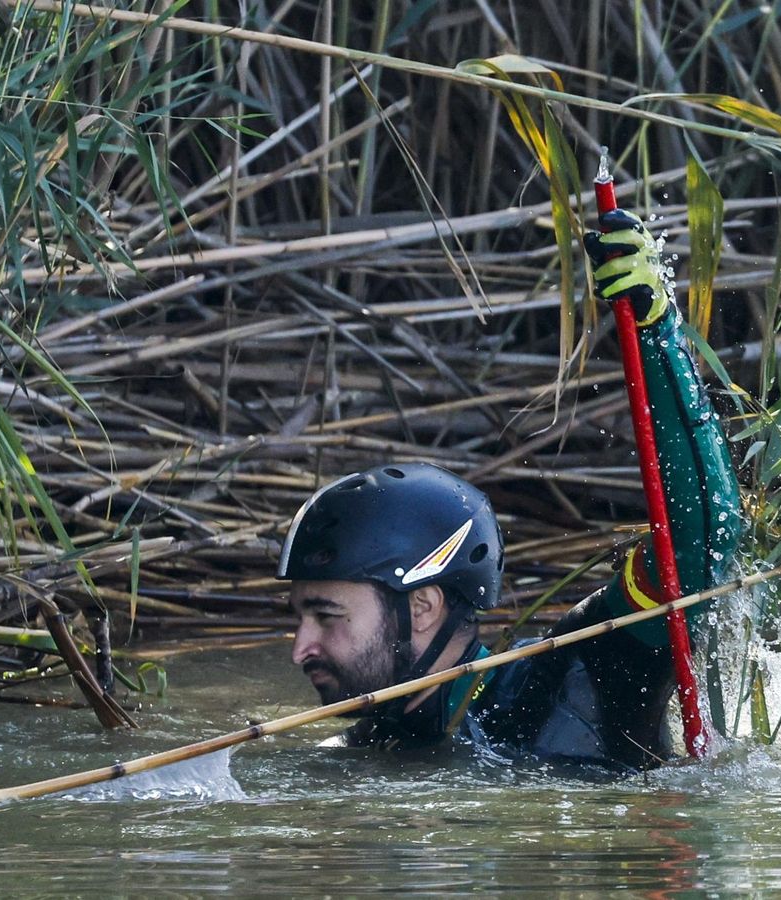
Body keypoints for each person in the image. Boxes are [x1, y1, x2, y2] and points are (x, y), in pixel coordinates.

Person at [276, 209, 742, 769]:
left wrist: (656, 331)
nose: (301, 647)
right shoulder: (367, 746)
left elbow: (702, 539)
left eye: (327, 616)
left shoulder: (579, 666)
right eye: (301, 617)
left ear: (422, 606)